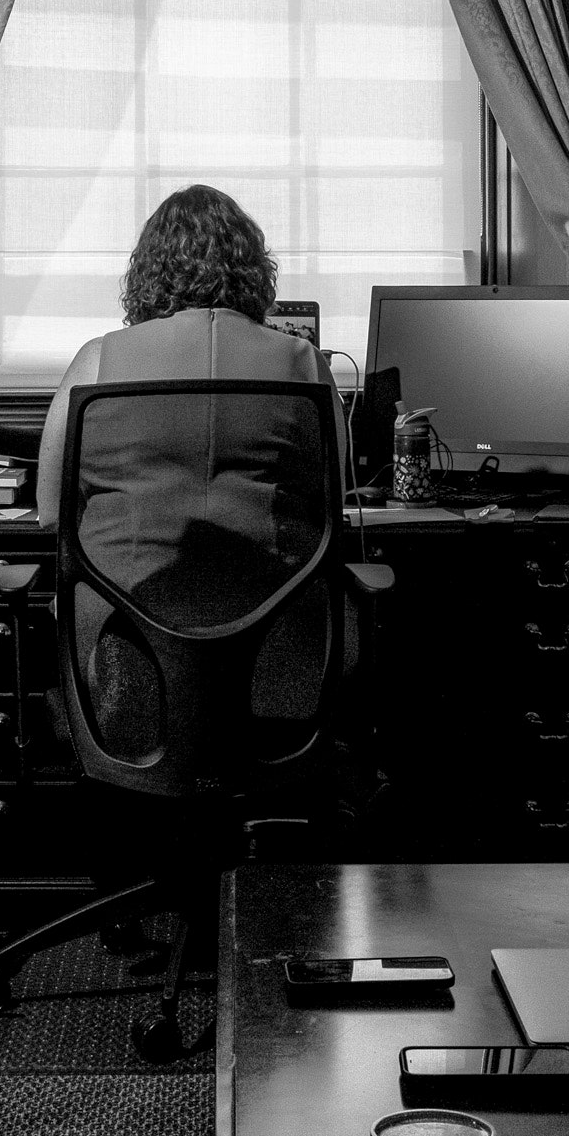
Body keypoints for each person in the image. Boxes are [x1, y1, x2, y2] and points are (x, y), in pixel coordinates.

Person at [37, 184, 347, 757]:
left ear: (148, 272)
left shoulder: (98, 360)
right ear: (253, 270)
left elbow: (49, 513)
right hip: (272, 647)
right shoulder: (303, 363)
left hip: (122, 646)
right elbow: (339, 498)